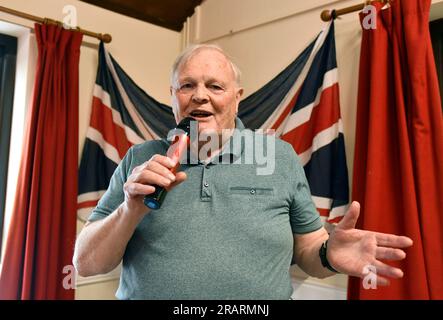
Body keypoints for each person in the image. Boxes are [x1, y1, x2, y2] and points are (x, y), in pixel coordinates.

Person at [73, 44, 413, 299]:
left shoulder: (279, 157)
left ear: (237, 98)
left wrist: (329, 256)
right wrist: (130, 208)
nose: (199, 97)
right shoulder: (139, 159)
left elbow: (309, 251)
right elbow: (86, 264)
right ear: (173, 97)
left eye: (215, 87)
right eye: (187, 86)